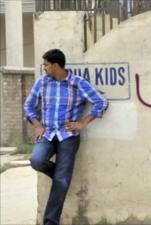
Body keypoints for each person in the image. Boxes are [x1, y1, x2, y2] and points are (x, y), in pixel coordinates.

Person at [24, 49, 108, 225]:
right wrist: (37, 125)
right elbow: (28, 106)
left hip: (68, 135)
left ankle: (50, 222)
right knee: (37, 161)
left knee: (61, 179)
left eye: (46, 64)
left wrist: (83, 122)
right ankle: (62, 177)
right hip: (47, 133)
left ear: (55, 65)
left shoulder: (77, 83)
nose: (44, 67)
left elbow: (101, 102)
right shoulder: (42, 83)